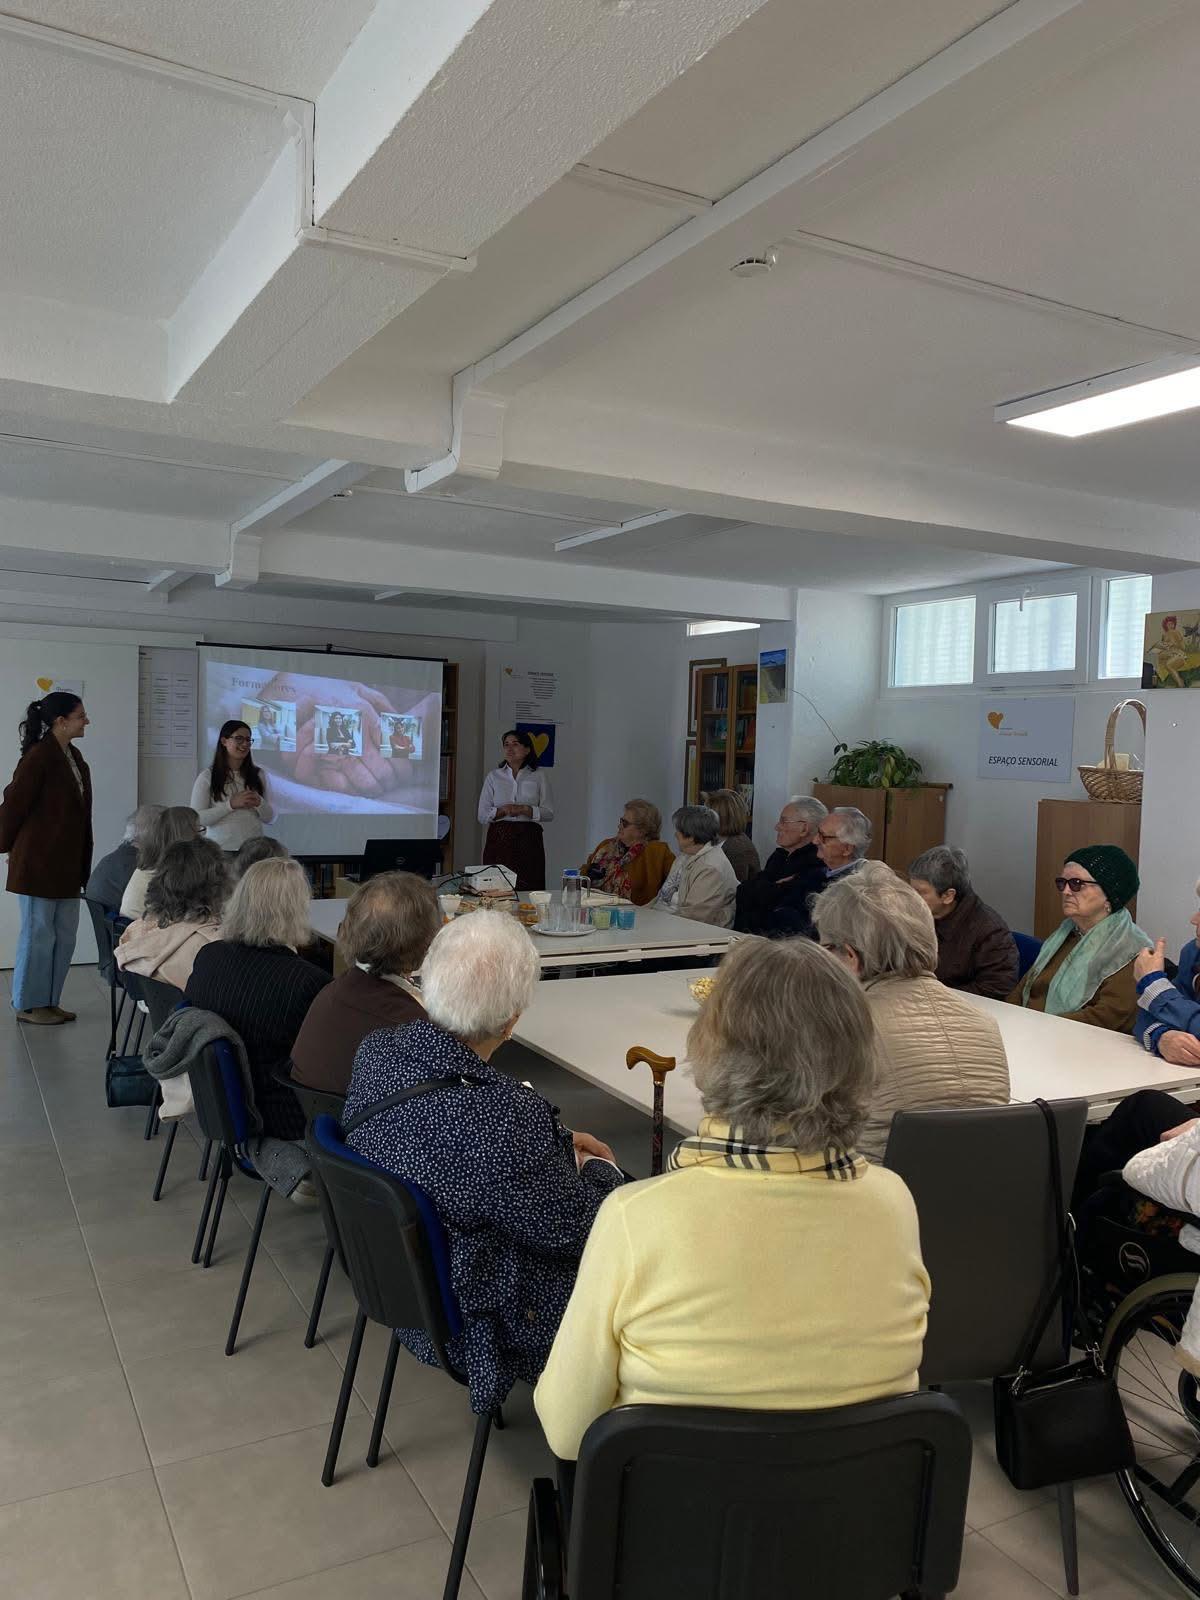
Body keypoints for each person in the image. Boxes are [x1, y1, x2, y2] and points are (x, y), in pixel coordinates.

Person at [533, 936, 930, 1462]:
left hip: (677, 1529)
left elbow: (566, 1432)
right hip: (855, 1526)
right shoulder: (894, 1202)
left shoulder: (636, 1217)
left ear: (711, 1052)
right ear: (858, 1059)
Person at [343, 913, 625, 1414]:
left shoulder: (377, 1051)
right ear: (513, 1018)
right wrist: (600, 1171)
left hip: (402, 1289)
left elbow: (457, 1153)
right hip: (476, 1321)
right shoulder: (501, 1120)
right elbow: (580, 1234)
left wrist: (555, 1141)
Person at [813, 861, 1009, 1163]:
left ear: (851, 957)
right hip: (980, 1200)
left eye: (826, 949)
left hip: (875, 1198)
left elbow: (800, 1132)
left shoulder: (844, 1030)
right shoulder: (984, 1024)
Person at [185, 858, 329, 1139]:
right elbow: (324, 1069)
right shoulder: (306, 982)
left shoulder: (209, 956)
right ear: (297, 910)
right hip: (284, 1118)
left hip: (223, 1106)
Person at [290, 871, 441, 1096]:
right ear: (425, 941)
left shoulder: (330, 993)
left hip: (317, 1125)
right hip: (367, 1127)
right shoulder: (412, 1026)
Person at [0, 691, 92, 1025]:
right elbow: (14, 805)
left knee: (63, 937)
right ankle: (28, 1005)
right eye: (81, 716)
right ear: (60, 721)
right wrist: (7, 845)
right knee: (38, 935)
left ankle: (49, 1001)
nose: (87, 721)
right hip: (39, 863)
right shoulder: (39, 757)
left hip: (66, 865)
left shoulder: (73, 755)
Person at [1006, 845, 1147, 1032]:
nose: (1065, 891)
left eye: (1076, 884)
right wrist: (1007, 1020)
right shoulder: (1066, 934)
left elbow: (1107, 1018)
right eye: (1062, 883)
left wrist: (1036, 1029)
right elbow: (1025, 988)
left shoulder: (1132, 951)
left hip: (1077, 1046)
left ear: (1109, 896)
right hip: (1029, 1033)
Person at [116, 837, 229, 991]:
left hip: (164, 1010)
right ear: (216, 884)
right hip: (201, 1011)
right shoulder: (211, 948)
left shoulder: (135, 930)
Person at [908, 845, 1018, 999]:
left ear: (948, 896)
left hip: (959, 1010)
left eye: (920, 892)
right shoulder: (915, 915)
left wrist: (936, 997)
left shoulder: (990, 930)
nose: (911, 897)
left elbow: (995, 988)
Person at [735, 795, 828, 937]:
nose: (777, 827)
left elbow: (781, 907)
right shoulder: (779, 856)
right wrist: (773, 888)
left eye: (784, 821)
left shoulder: (816, 861)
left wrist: (765, 889)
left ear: (804, 828)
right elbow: (742, 891)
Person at [477, 729, 554, 892]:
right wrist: (504, 810)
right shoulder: (494, 776)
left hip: (529, 838)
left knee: (530, 887)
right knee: (497, 889)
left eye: (515, 744)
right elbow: (482, 815)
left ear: (527, 749)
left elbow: (549, 813)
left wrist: (525, 809)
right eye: (506, 745)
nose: (509, 749)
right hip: (499, 838)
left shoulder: (539, 775)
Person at [190, 720, 275, 854]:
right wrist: (230, 805)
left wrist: (259, 803)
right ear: (224, 741)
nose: (245, 744)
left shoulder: (259, 774)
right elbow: (196, 819)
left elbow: (271, 818)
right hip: (220, 852)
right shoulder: (207, 776)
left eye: (248, 740)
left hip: (254, 851)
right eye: (239, 739)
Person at [581, 798, 674, 905]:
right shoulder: (606, 846)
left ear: (642, 830)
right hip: (598, 911)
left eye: (625, 823)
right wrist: (585, 875)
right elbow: (582, 875)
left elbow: (676, 885)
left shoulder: (657, 852)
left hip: (637, 916)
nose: (619, 826)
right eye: (621, 821)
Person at [119, 805, 201, 920]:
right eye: (199, 830)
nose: (202, 838)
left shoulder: (151, 860)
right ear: (187, 835)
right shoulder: (171, 869)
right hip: (150, 929)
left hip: (134, 928)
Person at [669, 805, 737, 928]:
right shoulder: (684, 856)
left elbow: (693, 917)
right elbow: (662, 898)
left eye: (678, 830)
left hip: (694, 932)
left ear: (691, 837)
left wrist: (656, 923)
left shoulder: (710, 867)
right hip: (670, 921)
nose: (675, 834)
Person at [86, 803, 163, 910]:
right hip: (130, 924)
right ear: (155, 835)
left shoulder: (112, 860)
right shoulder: (139, 867)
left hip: (115, 923)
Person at [702, 788, 760, 884]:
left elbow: (731, 892)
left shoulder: (738, 848)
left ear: (722, 818)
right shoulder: (715, 839)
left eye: (706, 814)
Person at [815, 806, 872, 883]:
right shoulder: (819, 871)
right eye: (818, 832)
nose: (814, 841)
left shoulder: (854, 886)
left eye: (823, 836)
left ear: (847, 849)